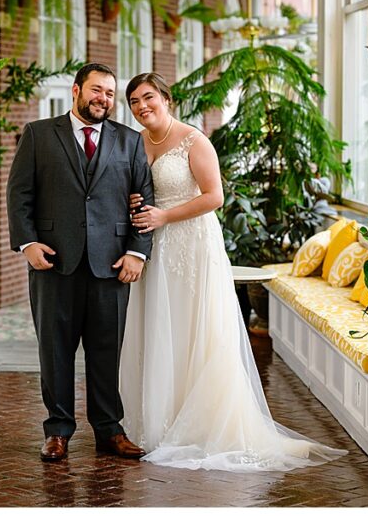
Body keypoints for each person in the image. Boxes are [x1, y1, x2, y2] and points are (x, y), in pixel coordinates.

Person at [120, 72, 346, 471]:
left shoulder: (194, 139)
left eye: (148, 97)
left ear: (167, 99)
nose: (142, 106)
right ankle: (158, 418)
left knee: (197, 328)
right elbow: (138, 189)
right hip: (156, 247)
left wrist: (165, 215)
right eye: (134, 101)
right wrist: (138, 199)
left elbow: (214, 196)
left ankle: (200, 424)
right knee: (160, 327)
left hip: (192, 243)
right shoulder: (137, 142)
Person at [6, 63, 155, 462]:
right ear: (76, 91)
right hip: (53, 263)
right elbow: (19, 194)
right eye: (96, 90)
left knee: (108, 352)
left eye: (109, 93)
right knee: (55, 351)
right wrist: (27, 244)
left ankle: (109, 430)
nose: (103, 99)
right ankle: (57, 430)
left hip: (111, 266)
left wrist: (137, 251)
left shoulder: (130, 141)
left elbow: (145, 199)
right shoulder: (39, 134)